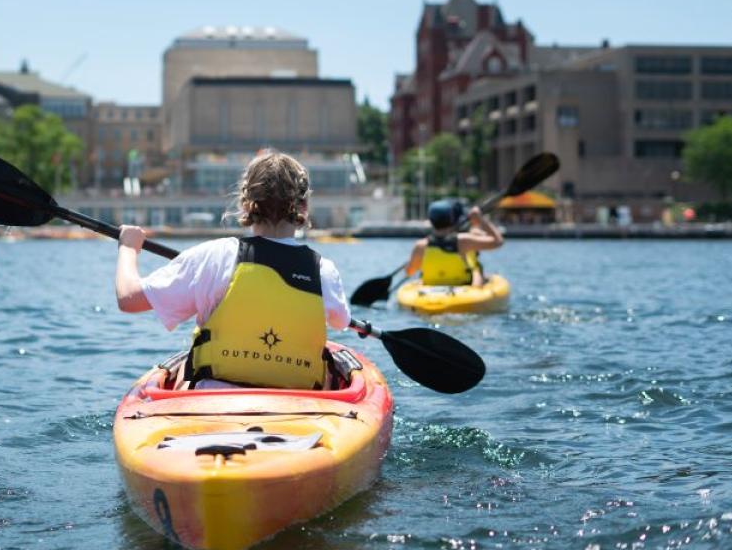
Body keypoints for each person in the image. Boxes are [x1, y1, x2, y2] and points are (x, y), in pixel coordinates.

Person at [114, 150, 350, 390]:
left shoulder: (214, 256)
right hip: (300, 408)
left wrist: (128, 247)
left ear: (245, 204)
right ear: (304, 205)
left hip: (214, 405)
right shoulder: (323, 270)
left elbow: (129, 299)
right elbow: (341, 322)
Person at [405, 199, 504, 287]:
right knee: (476, 270)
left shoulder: (420, 245)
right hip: (462, 288)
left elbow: (409, 272)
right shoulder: (463, 241)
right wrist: (481, 219)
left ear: (431, 220)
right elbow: (498, 241)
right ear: (452, 219)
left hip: (431, 290)